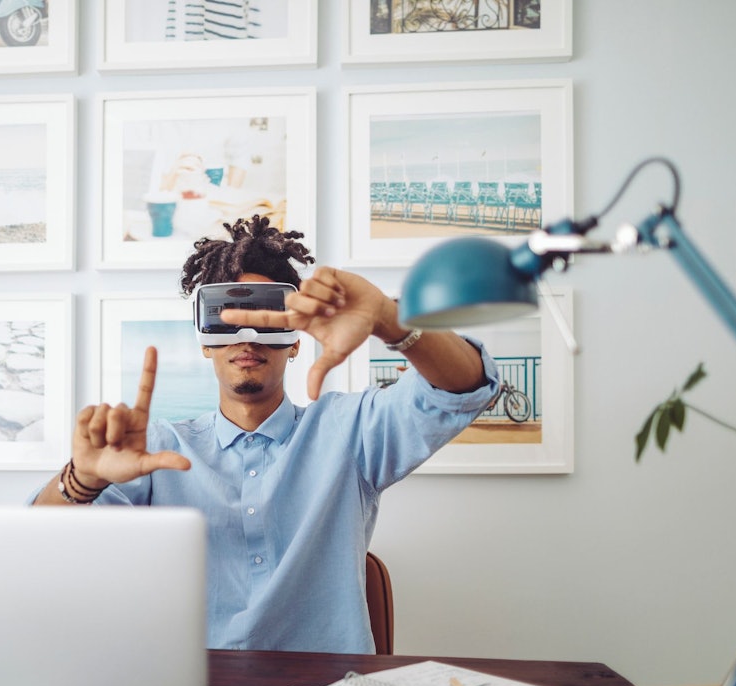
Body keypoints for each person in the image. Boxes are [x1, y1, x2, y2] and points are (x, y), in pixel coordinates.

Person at [34, 216, 499, 653]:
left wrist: (387, 318)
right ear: (204, 339)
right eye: (228, 317)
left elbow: (464, 388)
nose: (249, 334)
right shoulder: (155, 451)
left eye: (267, 315)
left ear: (296, 339)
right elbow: (37, 545)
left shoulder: (350, 431)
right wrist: (84, 479)